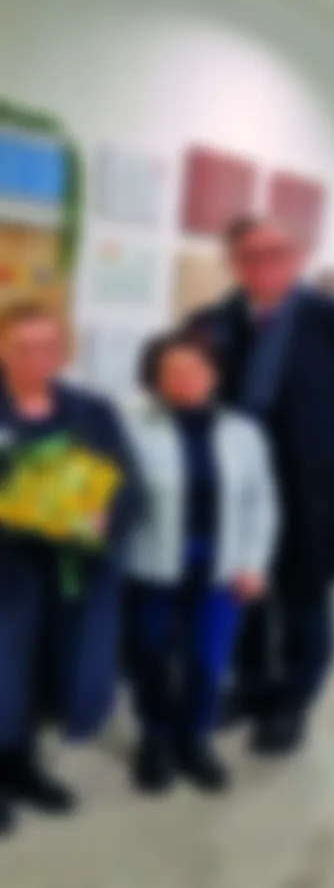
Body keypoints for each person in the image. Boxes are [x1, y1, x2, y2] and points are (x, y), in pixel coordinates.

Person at [188, 215, 334, 756]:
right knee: (246, 599)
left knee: (306, 604)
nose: (263, 266)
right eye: (250, 256)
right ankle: (252, 689)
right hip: (238, 499)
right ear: (234, 264)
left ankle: (290, 703)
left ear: (298, 256)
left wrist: (328, 452)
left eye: (275, 253)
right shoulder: (211, 326)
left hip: (316, 498)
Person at [0, 301, 139, 836]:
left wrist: (107, 516)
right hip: (6, 570)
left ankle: (22, 766)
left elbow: (126, 482)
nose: (38, 357)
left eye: (49, 346)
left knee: (43, 674)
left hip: (70, 572)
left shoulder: (93, 410)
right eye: (23, 347)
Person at [120, 331, 278, 794]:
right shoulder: (133, 429)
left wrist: (253, 563)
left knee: (208, 664)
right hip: (151, 571)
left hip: (221, 574)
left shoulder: (242, 434)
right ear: (157, 380)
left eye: (194, 370)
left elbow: (260, 503)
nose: (185, 380)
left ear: (213, 375)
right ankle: (156, 740)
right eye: (173, 373)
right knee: (150, 660)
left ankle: (194, 740)